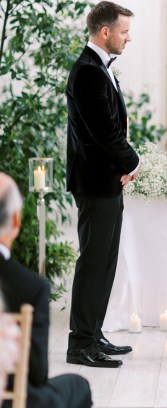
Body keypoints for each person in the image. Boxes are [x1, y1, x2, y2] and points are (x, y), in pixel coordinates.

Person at [66, 0, 141, 368]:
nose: (129, 39)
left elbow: (110, 127)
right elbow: (104, 133)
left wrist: (123, 166)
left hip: (107, 180)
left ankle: (93, 335)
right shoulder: (88, 72)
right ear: (105, 32)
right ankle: (80, 344)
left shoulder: (99, 68)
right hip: (96, 182)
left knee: (105, 262)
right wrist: (133, 161)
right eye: (124, 32)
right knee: (94, 262)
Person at [0, 173, 92, 408]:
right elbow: (36, 373)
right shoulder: (30, 288)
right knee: (77, 386)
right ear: (16, 220)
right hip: (10, 398)